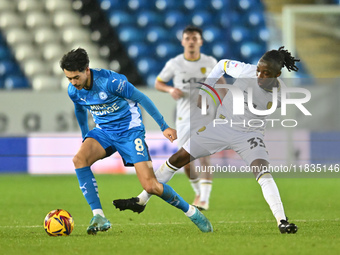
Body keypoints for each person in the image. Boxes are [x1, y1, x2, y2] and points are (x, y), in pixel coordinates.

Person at [113, 46, 299, 234]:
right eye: (259, 69)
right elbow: (221, 65)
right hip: (221, 127)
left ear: (277, 74)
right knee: (177, 159)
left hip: (249, 135)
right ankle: (141, 200)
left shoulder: (282, 94)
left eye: (265, 73)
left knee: (263, 173)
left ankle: (282, 221)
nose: (259, 75)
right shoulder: (245, 70)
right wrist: (206, 89)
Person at [59, 48, 213, 234]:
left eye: (76, 77)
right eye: (69, 78)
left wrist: (164, 126)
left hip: (130, 132)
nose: (73, 83)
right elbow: (80, 109)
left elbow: (142, 98)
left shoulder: (111, 82)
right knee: (79, 160)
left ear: (87, 70)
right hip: (104, 132)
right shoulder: (74, 90)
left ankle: (192, 212)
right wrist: (85, 136)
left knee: (151, 186)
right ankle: (99, 215)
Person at [154, 25, 226, 210]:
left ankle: (205, 199)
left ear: (201, 41)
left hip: (206, 116)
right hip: (184, 118)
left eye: (195, 38)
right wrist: (170, 89)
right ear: (182, 41)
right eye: (188, 38)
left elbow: (222, 85)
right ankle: (197, 192)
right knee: (185, 163)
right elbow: (158, 82)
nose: (191, 41)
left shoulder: (210, 62)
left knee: (204, 157)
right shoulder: (175, 63)